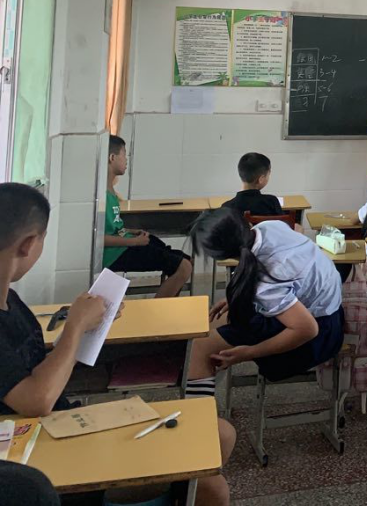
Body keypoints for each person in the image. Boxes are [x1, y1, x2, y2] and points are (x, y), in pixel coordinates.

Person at [0, 183, 235, 505]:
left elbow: (38, 370)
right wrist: (76, 325)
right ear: (29, 244)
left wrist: (90, 326)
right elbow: (35, 400)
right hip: (27, 456)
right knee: (211, 486)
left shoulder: (11, 301)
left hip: (58, 421)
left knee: (221, 434)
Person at [185, 208, 344, 404]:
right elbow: (291, 276)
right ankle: (204, 383)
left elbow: (308, 329)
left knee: (201, 345)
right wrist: (242, 296)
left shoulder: (265, 283)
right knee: (211, 324)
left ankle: (199, 413)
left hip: (318, 338)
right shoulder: (269, 227)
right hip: (324, 311)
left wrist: (248, 353)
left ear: (220, 257)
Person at [103, 135, 193, 298]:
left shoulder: (110, 190)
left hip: (124, 244)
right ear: (112, 158)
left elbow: (113, 228)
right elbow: (98, 239)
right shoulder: (101, 195)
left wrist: (131, 232)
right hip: (114, 253)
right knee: (183, 267)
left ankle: (171, 305)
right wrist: (134, 241)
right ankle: (158, 310)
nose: (126, 160)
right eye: (124, 154)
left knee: (185, 260)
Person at [223, 152, 284, 217]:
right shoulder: (271, 202)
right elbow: (282, 223)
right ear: (261, 179)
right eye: (268, 174)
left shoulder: (227, 207)